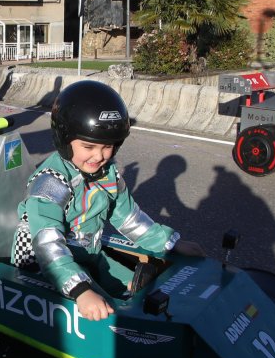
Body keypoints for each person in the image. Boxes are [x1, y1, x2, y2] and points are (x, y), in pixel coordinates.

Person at [13, 81, 204, 322]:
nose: (99, 156)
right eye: (88, 146)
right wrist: (80, 291)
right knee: (114, 309)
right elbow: (47, 243)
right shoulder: (50, 183)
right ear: (64, 138)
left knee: (139, 288)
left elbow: (129, 217)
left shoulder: (107, 174)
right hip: (46, 267)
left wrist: (170, 243)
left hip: (89, 255)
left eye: (108, 147)